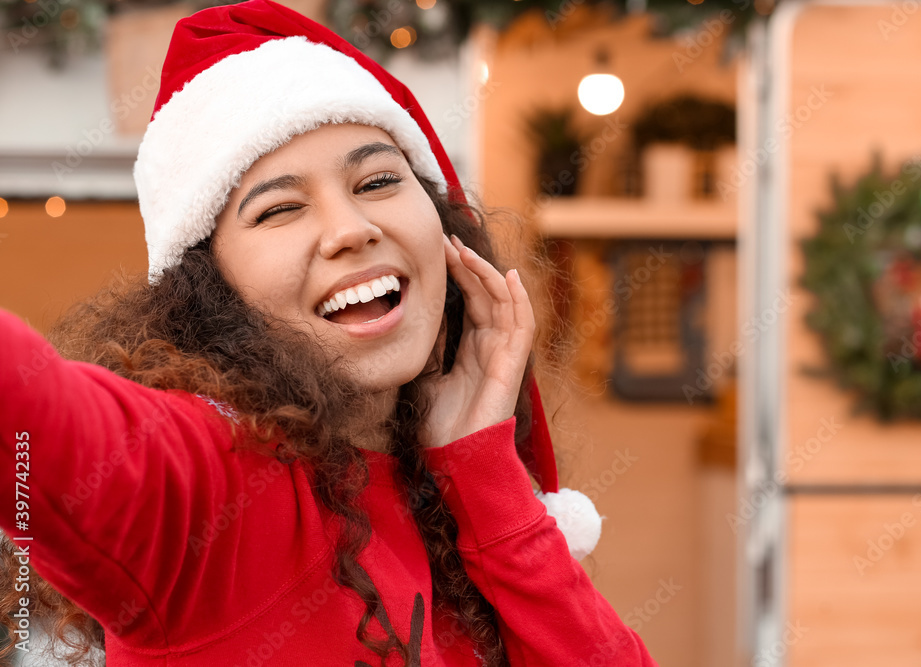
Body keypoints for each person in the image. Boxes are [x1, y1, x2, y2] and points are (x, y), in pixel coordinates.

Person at [0, 1, 657, 665]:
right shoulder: (203, 485)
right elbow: (28, 414)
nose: (351, 229)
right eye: (280, 208)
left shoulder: (451, 493)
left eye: (376, 180)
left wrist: (482, 470)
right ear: (209, 286)